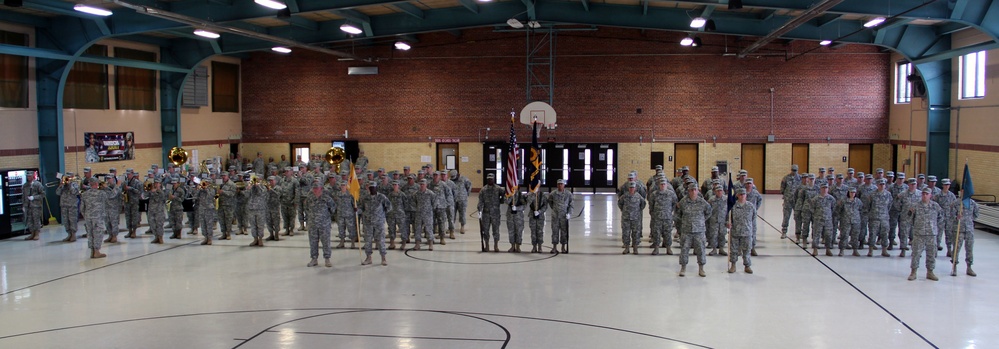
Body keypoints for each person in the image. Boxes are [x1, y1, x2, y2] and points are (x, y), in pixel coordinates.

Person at [907, 188, 945, 281]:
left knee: (931, 254)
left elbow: (941, 217)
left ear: (930, 195)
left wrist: (934, 227)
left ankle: (930, 272)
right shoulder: (915, 206)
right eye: (923, 194)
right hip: (919, 234)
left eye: (926, 194)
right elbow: (909, 219)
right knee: (916, 253)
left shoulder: (935, 206)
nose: (924, 195)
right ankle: (913, 272)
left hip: (931, 234)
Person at [675, 184, 711, 277]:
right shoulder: (683, 202)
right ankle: (683, 268)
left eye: (695, 189)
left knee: (701, 250)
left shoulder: (702, 202)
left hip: (699, 231)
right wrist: (682, 225)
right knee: (684, 250)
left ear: (698, 191)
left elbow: (709, 212)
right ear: (689, 191)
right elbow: (678, 214)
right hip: (686, 231)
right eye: (691, 190)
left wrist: (701, 221)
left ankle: (701, 268)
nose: (693, 191)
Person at [82, 179, 116, 258]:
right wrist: (107, 187)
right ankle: (96, 251)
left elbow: (82, 208)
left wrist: (86, 216)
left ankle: (92, 251)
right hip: (98, 217)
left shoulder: (85, 194)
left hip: (88, 217)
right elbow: (112, 195)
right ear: (97, 184)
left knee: (90, 234)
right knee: (98, 233)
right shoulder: (101, 193)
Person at [305, 182, 336, 267]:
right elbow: (306, 208)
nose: (315, 190)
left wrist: (325, 217)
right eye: (314, 188)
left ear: (321, 189)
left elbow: (333, 209)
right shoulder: (309, 198)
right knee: (313, 242)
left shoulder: (327, 198)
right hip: (312, 224)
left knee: (326, 242)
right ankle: (314, 259)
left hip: (324, 224)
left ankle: (327, 259)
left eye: (317, 188)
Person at [359, 182, 391, 265]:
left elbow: (389, 207)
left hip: (379, 223)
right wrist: (357, 210)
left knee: (380, 240)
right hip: (367, 223)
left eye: (373, 187)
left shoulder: (381, 197)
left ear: (376, 188)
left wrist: (381, 215)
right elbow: (361, 208)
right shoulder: (365, 198)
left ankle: (383, 258)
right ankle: (368, 258)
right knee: (368, 241)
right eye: (370, 187)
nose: (372, 189)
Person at [727, 188, 756, 273]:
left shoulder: (750, 206)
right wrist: (728, 223)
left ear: (746, 195)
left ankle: (747, 266)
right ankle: (733, 265)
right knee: (734, 250)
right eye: (740, 194)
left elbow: (753, 218)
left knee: (747, 250)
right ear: (737, 195)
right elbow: (728, 218)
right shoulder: (733, 206)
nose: (742, 196)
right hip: (736, 232)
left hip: (747, 232)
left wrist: (752, 231)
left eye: (744, 194)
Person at [648, 176, 678, 255]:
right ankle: (656, 248)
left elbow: (675, 203)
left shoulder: (671, 194)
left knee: (668, 233)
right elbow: (651, 204)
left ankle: (668, 248)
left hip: (667, 217)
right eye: (661, 184)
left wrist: (670, 211)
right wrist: (653, 213)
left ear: (667, 185)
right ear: (659, 185)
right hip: (657, 217)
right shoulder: (654, 194)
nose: (663, 185)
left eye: (664, 184)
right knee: (656, 233)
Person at [477, 174, 504, 252]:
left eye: (491, 179)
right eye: (489, 179)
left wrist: (502, 200)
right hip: (486, 213)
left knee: (496, 230)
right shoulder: (483, 190)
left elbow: (504, 194)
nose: (490, 180)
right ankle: (487, 245)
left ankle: (496, 245)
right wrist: (479, 208)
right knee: (485, 230)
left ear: (494, 179)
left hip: (495, 213)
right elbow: (481, 201)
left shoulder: (498, 189)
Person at [894, 178, 920, 257]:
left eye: (914, 184)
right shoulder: (903, 194)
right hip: (905, 217)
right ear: (908, 185)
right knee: (904, 234)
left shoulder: (920, 194)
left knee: (916, 235)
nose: (913, 186)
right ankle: (903, 250)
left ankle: (915, 251)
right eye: (911, 184)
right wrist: (901, 210)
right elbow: (896, 202)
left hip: (916, 218)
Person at [618, 182, 647, 255]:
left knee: (636, 233)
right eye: (630, 188)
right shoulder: (624, 196)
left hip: (636, 218)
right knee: (626, 233)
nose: (631, 189)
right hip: (626, 218)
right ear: (628, 188)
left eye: (633, 187)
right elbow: (620, 204)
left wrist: (638, 211)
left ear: (635, 188)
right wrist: (624, 211)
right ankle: (627, 248)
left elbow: (643, 204)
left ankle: (635, 248)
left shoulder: (638, 196)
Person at [867, 179, 893, 257]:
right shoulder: (872, 194)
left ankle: (884, 250)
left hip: (884, 218)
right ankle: (870, 250)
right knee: (872, 234)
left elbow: (889, 205)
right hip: (874, 218)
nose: (882, 186)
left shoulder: (888, 194)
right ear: (877, 185)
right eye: (880, 184)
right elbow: (869, 205)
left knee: (885, 234)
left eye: (883, 184)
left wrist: (884, 214)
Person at [547, 179, 574, 254]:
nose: (560, 185)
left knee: (564, 232)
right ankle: (554, 247)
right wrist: (555, 209)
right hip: (555, 216)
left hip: (564, 216)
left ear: (564, 185)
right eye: (558, 184)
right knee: (555, 231)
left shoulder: (568, 194)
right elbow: (550, 202)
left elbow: (571, 205)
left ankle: (563, 247)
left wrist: (569, 213)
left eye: (561, 184)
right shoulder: (553, 193)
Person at [810, 183, 836, 256]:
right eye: (823, 188)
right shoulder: (816, 199)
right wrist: (817, 215)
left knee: (828, 235)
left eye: (826, 188)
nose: (824, 189)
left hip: (828, 220)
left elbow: (834, 209)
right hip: (818, 220)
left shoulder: (831, 199)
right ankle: (815, 249)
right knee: (816, 234)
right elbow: (811, 208)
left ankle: (828, 249)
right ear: (820, 189)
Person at [955, 198, 979, 277]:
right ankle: (954, 266)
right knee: (956, 248)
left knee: (969, 248)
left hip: (969, 229)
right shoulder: (957, 203)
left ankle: (969, 267)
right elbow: (951, 214)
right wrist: (956, 217)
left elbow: (976, 214)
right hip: (959, 229)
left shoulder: (973, 203)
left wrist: (968, 220)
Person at [836, 187, 863, 256]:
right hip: (845, 221)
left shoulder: (858, 201)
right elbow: (839, 210)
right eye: (851, 192)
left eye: (854, 192)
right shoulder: (843, 201)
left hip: (856, 221)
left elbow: (861, 210)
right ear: (848, 193)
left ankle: (855, 250)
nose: (852, 194)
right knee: (844, 236)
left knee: (855, 236)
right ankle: (842, 250)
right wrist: (840, 220)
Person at [934, 178, 958, 254]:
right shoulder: (938, 196)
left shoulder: (952, 196)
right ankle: (935, 249)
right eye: (945, 185)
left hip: (949, 218)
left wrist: (954, 216)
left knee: (949, 234)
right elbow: (934, 206)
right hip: (940, 218)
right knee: (938, 234)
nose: (947, 186)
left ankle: (949, 249)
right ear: (942, 185)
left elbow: (955, 206)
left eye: (948, 185)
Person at [412, 179, 436, 251]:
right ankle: (417, 244)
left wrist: (430, 210)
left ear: (426, 185)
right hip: (419, 214)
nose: (422, 186)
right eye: (421, 184)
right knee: (418, 229)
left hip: (428, 214)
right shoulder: (416, 193)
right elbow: (415, 202)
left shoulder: (430, 193)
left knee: (429, 229)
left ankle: (430, 243)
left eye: (423, 184)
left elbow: (434, 203)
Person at [333, 182, 358, 249]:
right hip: (340, 214)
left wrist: (356, 208)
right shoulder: (337, 194)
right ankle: (342, 242)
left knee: (351, 229)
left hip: (349, 215)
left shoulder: (350, 194)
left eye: (344, 185)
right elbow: (335, 204)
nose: (343, 187)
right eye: (342, 185)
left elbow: (354, 204)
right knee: (341, 229)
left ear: (346, 186)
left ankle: (352, 243)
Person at [56, 172, 80, 242]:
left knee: (72, 220)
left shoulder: (75, 184)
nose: (67, 179)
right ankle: (69, 234)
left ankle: (73, 235)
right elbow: (57, 193)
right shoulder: (63, 185)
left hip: (72, 205)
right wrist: (60, 186)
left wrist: (69, 185)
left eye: (69, 177)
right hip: (64, 205)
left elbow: (75, 192)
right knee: (66, 221)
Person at [780, 165, 801, 238]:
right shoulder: (786, 178)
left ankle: (798, 233)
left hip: (797, 201)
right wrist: (786, 196)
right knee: (786, 216)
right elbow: (782, 189)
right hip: (788, 200)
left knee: (798, 217)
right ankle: (784, 231)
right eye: (793, 170)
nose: (794, 172)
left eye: (795, 171)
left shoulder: (800, 178)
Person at [706, 185, 728, 256]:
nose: (719, 192)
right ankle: (714, 249)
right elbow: (707, 210)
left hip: (723, 220)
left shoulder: (726, 199)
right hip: (714, 220)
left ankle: (721, 249)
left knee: (722, 234)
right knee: (713, 235)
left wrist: (728, 220)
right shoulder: (711, 200)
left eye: (720, 191)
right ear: (715, 192)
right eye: (718, 191)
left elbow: (729, 210)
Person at [246, 177, 268, 246]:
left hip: (260, 208)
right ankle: (255, 239)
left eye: (259, 179)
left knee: (260, 225)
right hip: (251, 208)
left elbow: (262, 193)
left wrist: (257, 186)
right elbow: (246, 195)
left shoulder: (263, 187)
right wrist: (248, 188)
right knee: (253, 225)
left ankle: (260, 239)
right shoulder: (251, 186)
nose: (257, 181)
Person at [196, 178, 218, 245]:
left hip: (209, 208)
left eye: (206, 182)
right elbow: (196, 197)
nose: (205, 184)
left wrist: (205, 189)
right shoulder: (201, 190)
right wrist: (198, 189)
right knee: (203, 224)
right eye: (204, 182)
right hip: (202, 208)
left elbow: (210, 197)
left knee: (209, 224)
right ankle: (205, 237)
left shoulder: (212, 189)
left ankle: (210, 238)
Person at [525, 189, 548, 253]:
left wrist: (539, 211)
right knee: (533, 232)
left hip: (540, 216)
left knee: (540, 232)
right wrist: (533, 194)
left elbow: (545, 205)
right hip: (532, 215)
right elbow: (527, 201)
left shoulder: (543, 195)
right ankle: (534, 246)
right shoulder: (529, 195)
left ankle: (540, 246)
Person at [216, 173, 237, 240]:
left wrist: (223, 192)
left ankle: (228, 233)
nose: (223, 177)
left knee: (228, 219)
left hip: (228, 205)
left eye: (224, 176)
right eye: (222, 176)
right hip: (220, 204)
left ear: (228, 176)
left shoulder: (232, 184)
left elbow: (232, 194)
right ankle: (223, 233)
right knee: (221, 220)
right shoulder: (220, 184)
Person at [451, 170, 472, 234]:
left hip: (462, 199)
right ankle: (451, 227)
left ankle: (462, 227)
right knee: (452, 214)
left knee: (462, 213)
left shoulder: (464, 179)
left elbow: (469, 186)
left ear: (458, 174)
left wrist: (466, 194)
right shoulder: (451, 181)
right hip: (453, 200)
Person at [146, 180, 167, 244]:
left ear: (160, 184)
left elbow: (161, 198)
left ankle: (160, 238)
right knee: (152, 224)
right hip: (151, 210)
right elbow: (144, 196)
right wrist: (148, 190)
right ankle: (156, 237)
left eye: (158, 183)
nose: (156, 184)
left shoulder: (162, 191)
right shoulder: (151, 190)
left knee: (159, 225)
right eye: (155, 183)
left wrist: (155, 192)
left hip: (159, 211)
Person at [123, 169, 142, 237]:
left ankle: (134, 231)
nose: (128, 176)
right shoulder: (125, 182)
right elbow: (121, 190)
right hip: (127, 202)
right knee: (128, 217)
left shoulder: (137, 183)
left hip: (134, 202)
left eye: (129, 174)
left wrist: (131, 188)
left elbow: (139, 192)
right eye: (127, 174)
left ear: (132, 174)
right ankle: (129, 231)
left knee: (134, 217)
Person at [280, 168, 298, 236]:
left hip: (291, 202)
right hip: (283, 202)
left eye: (288, 171)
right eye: (286, 171)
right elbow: (280, 190)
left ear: (291, 172)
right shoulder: (282, 180)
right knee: (285, 216)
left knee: (292, 217)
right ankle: (286, 229)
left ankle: (291, 230)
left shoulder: (294, 181)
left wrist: (295, 201)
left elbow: (297, 191)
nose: (286, 172)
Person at [265, 176, 283, 242]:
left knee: (276, 221)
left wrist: (271, 190)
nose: (270, 182)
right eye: (269, 181)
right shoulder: (266, 188)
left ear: (275, 181)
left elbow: (278, 195)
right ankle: (271, 234)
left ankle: (276, 234)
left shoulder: (278, 188)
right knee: (268, 222)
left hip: (275, 207)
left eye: (272, 181)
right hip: (267, 206)